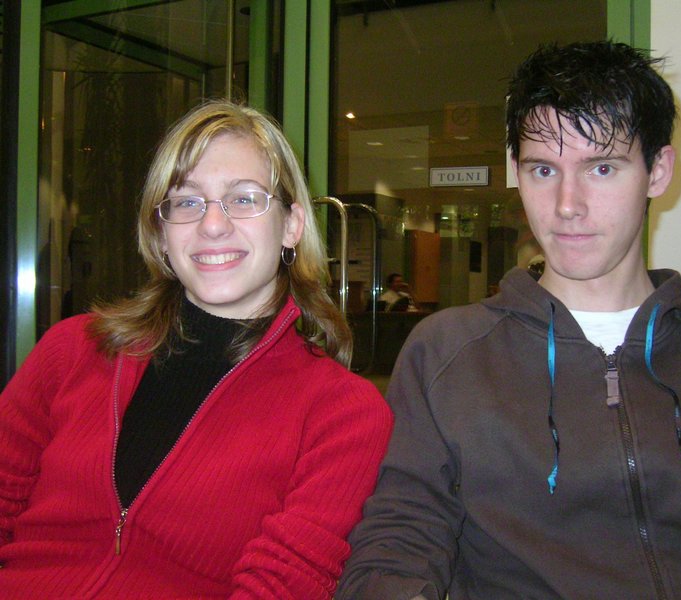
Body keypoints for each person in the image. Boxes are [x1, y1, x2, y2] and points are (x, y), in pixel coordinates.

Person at [335, 41, 681, 599]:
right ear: (516, 172)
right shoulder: (446, 353)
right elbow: (400, 538)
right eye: (543, 170)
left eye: (602, 168)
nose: (567, 205)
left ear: (657, 171)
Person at [0, 100, 393, 599]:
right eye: (186, 202)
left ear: (292, 225)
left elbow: (283, 585)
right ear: (161, 232)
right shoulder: (72, 351)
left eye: (244, 198)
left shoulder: (343, 413)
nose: (212, 225)